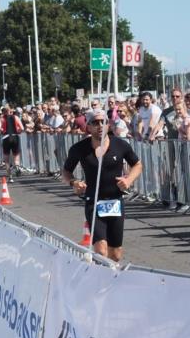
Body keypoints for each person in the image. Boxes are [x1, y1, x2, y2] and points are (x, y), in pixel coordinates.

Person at [61, 109, 142, 262]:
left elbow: (137, 165)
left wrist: (128, 180)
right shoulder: (79, 148)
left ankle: (110, 273)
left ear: (108, 125)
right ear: (88, 127)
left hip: (115, 202)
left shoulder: (120, 145)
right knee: (101, 250)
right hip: (93, 202)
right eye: (95, 122)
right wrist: (74, 182)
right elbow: (66, 171)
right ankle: (99, 273)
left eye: (103, 122)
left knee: (116, 254)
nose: (100, 126)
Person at [0, 106, 21, 181]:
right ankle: (17, 167)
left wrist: (2, 131)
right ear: (10, 111)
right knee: (16, 156)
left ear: (3, 112)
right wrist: (18, 131)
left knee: (6, 160)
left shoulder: (2, 119)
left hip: (6, 138)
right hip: (15, 137)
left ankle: (10, 177)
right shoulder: (16, 117)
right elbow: (22, 128)